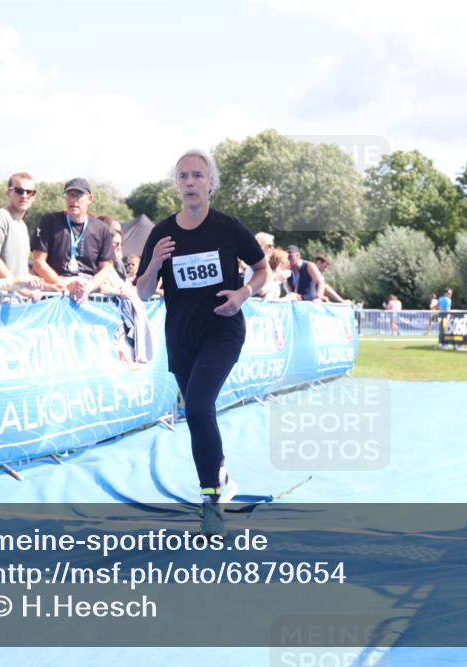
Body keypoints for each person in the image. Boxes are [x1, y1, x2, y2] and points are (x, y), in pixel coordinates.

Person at [136, 149, 269, 538]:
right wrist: (155, 265)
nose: (190, 182)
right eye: (183, 176)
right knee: (198, 412)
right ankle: (218, 470)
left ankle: (211, 501)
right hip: (181, 337)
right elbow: (142, 293)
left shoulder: (228, 228)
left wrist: (243, 293)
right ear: (176, 185)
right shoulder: (162, 234)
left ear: (210, 184)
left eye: (197, 175)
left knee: (196, 406)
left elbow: (263, 270)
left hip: (223, 331)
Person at [31, 178, 115, 303]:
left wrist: (87, 288)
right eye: (69, 195)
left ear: (90, 199)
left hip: (87, 294)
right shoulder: (50, 221)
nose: (73, 200)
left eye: (78, 195)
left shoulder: (101, 228)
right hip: (56, 293)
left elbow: (106, 268)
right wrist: (63, 285)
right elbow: (38, 262)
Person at [0, 172, 37, 278]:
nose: (24, 196)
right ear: (8, 193)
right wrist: (14, 283)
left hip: (17, 293)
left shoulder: (23, 226)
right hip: (0, 294)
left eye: (30, 192)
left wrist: (54, 286)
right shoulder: (0, 217)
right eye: (19, 191)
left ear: (34, 196)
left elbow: (22, 274)